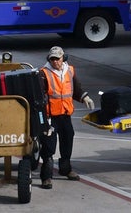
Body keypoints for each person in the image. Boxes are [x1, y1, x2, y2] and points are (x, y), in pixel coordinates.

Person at [38, 45, 94, 189]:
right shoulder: (43, 73)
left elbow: (76, 88)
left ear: (64, 58)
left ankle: (66, 169)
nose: (55, 62)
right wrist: (44, 120)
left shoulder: (69, 70)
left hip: (65, 114)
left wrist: (84, 97)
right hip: (51, 116)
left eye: (58, 59)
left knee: (68, 138)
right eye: (53, 59)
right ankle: (46, 177)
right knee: (49, 147)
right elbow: (39, 98)